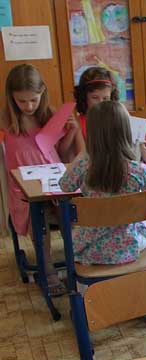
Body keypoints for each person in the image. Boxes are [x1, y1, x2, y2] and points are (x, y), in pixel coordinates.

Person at [2, 63, 82, 295]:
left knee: (69, 215)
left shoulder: (49, 115)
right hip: (25, 191)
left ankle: (77, 265)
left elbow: (61, 154)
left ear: (42, 93)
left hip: (54, 184)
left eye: (33, 100)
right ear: (11, 97)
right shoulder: (6, 120)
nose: (28, 106)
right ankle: (48, 273)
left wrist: (72, 131)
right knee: (41, 224)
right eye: (22, 101)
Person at [59, 101, 146, 265]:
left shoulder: (84, 167)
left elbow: (64, 185)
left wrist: (83, 153)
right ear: (126, 131)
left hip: (89, 248)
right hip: (127, 247)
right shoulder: (137, 170)